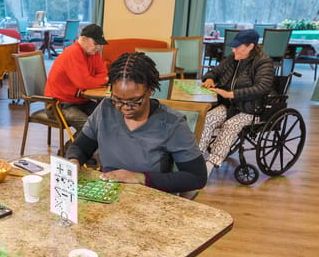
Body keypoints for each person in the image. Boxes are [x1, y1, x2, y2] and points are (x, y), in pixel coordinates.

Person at [66, 52, 207, 194]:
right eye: (117, 100)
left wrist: (140, 178)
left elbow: (196, 177)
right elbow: (80, 147)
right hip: (107, 193)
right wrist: (74, 161)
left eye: (134, 101)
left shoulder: (172, 123)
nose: (125, 107)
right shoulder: (105, 109)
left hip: (150, 199)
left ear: (150, 90)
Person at [199, 29, 275, 177]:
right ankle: (196, 157)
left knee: (229, 126)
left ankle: (211, 164)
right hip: (230, 106)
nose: (233, 50)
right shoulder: (233, 58)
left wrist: (231, 94)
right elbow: (215, 71)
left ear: (250, 46)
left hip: (252, 109)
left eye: (237, 47)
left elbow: (262, 88)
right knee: (207, 118)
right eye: (233, 46)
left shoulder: (263, 62)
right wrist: (209, 78)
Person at [44, 24, 109, 139]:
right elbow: (84, 83)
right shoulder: (73, 53)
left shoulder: (93, 53)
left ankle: (92, 153)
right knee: (88, 127)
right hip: (60, 105)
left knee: (107, 118)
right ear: (84, 39)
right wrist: (103, 80)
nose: (98, 47)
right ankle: (67, 154)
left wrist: (98, 79)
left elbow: (103, 74)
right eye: (96, 43)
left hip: (80, 101)